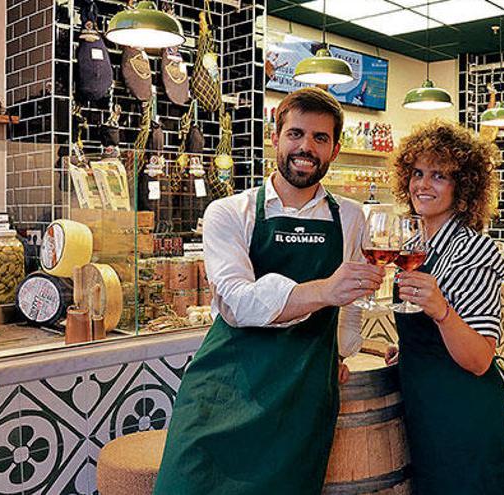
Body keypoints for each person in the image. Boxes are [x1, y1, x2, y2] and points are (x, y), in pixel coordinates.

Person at [154, 87, 385, 495]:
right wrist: (325, 291)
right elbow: (239, 302)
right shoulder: (229, 212)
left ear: (333, 150)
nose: (306, 147)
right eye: (296, 134)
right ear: (274, 138)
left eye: (320, 138)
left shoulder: (350, 216)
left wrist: (342, 352)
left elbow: (352, 301)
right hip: (226, 387)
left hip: (302, 394)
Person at [386, 119, 504, 495]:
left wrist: (440, 308)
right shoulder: (416, 244)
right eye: (418, 173)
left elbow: (479, 359)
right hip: (425, 408)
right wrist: (411, 350)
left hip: (461, 414)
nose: (423, 185)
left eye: (439, 175)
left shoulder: (475, 249)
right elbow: (427, 333)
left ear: (464, 187)